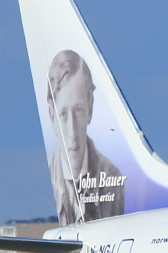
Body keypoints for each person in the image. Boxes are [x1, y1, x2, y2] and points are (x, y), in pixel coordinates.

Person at [45, 50, 126, 223]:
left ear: (90, 109)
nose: (72, 133)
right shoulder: (48, 176)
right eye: (63, 115)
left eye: (78, 111)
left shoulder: (113, 178)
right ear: (52, 118)